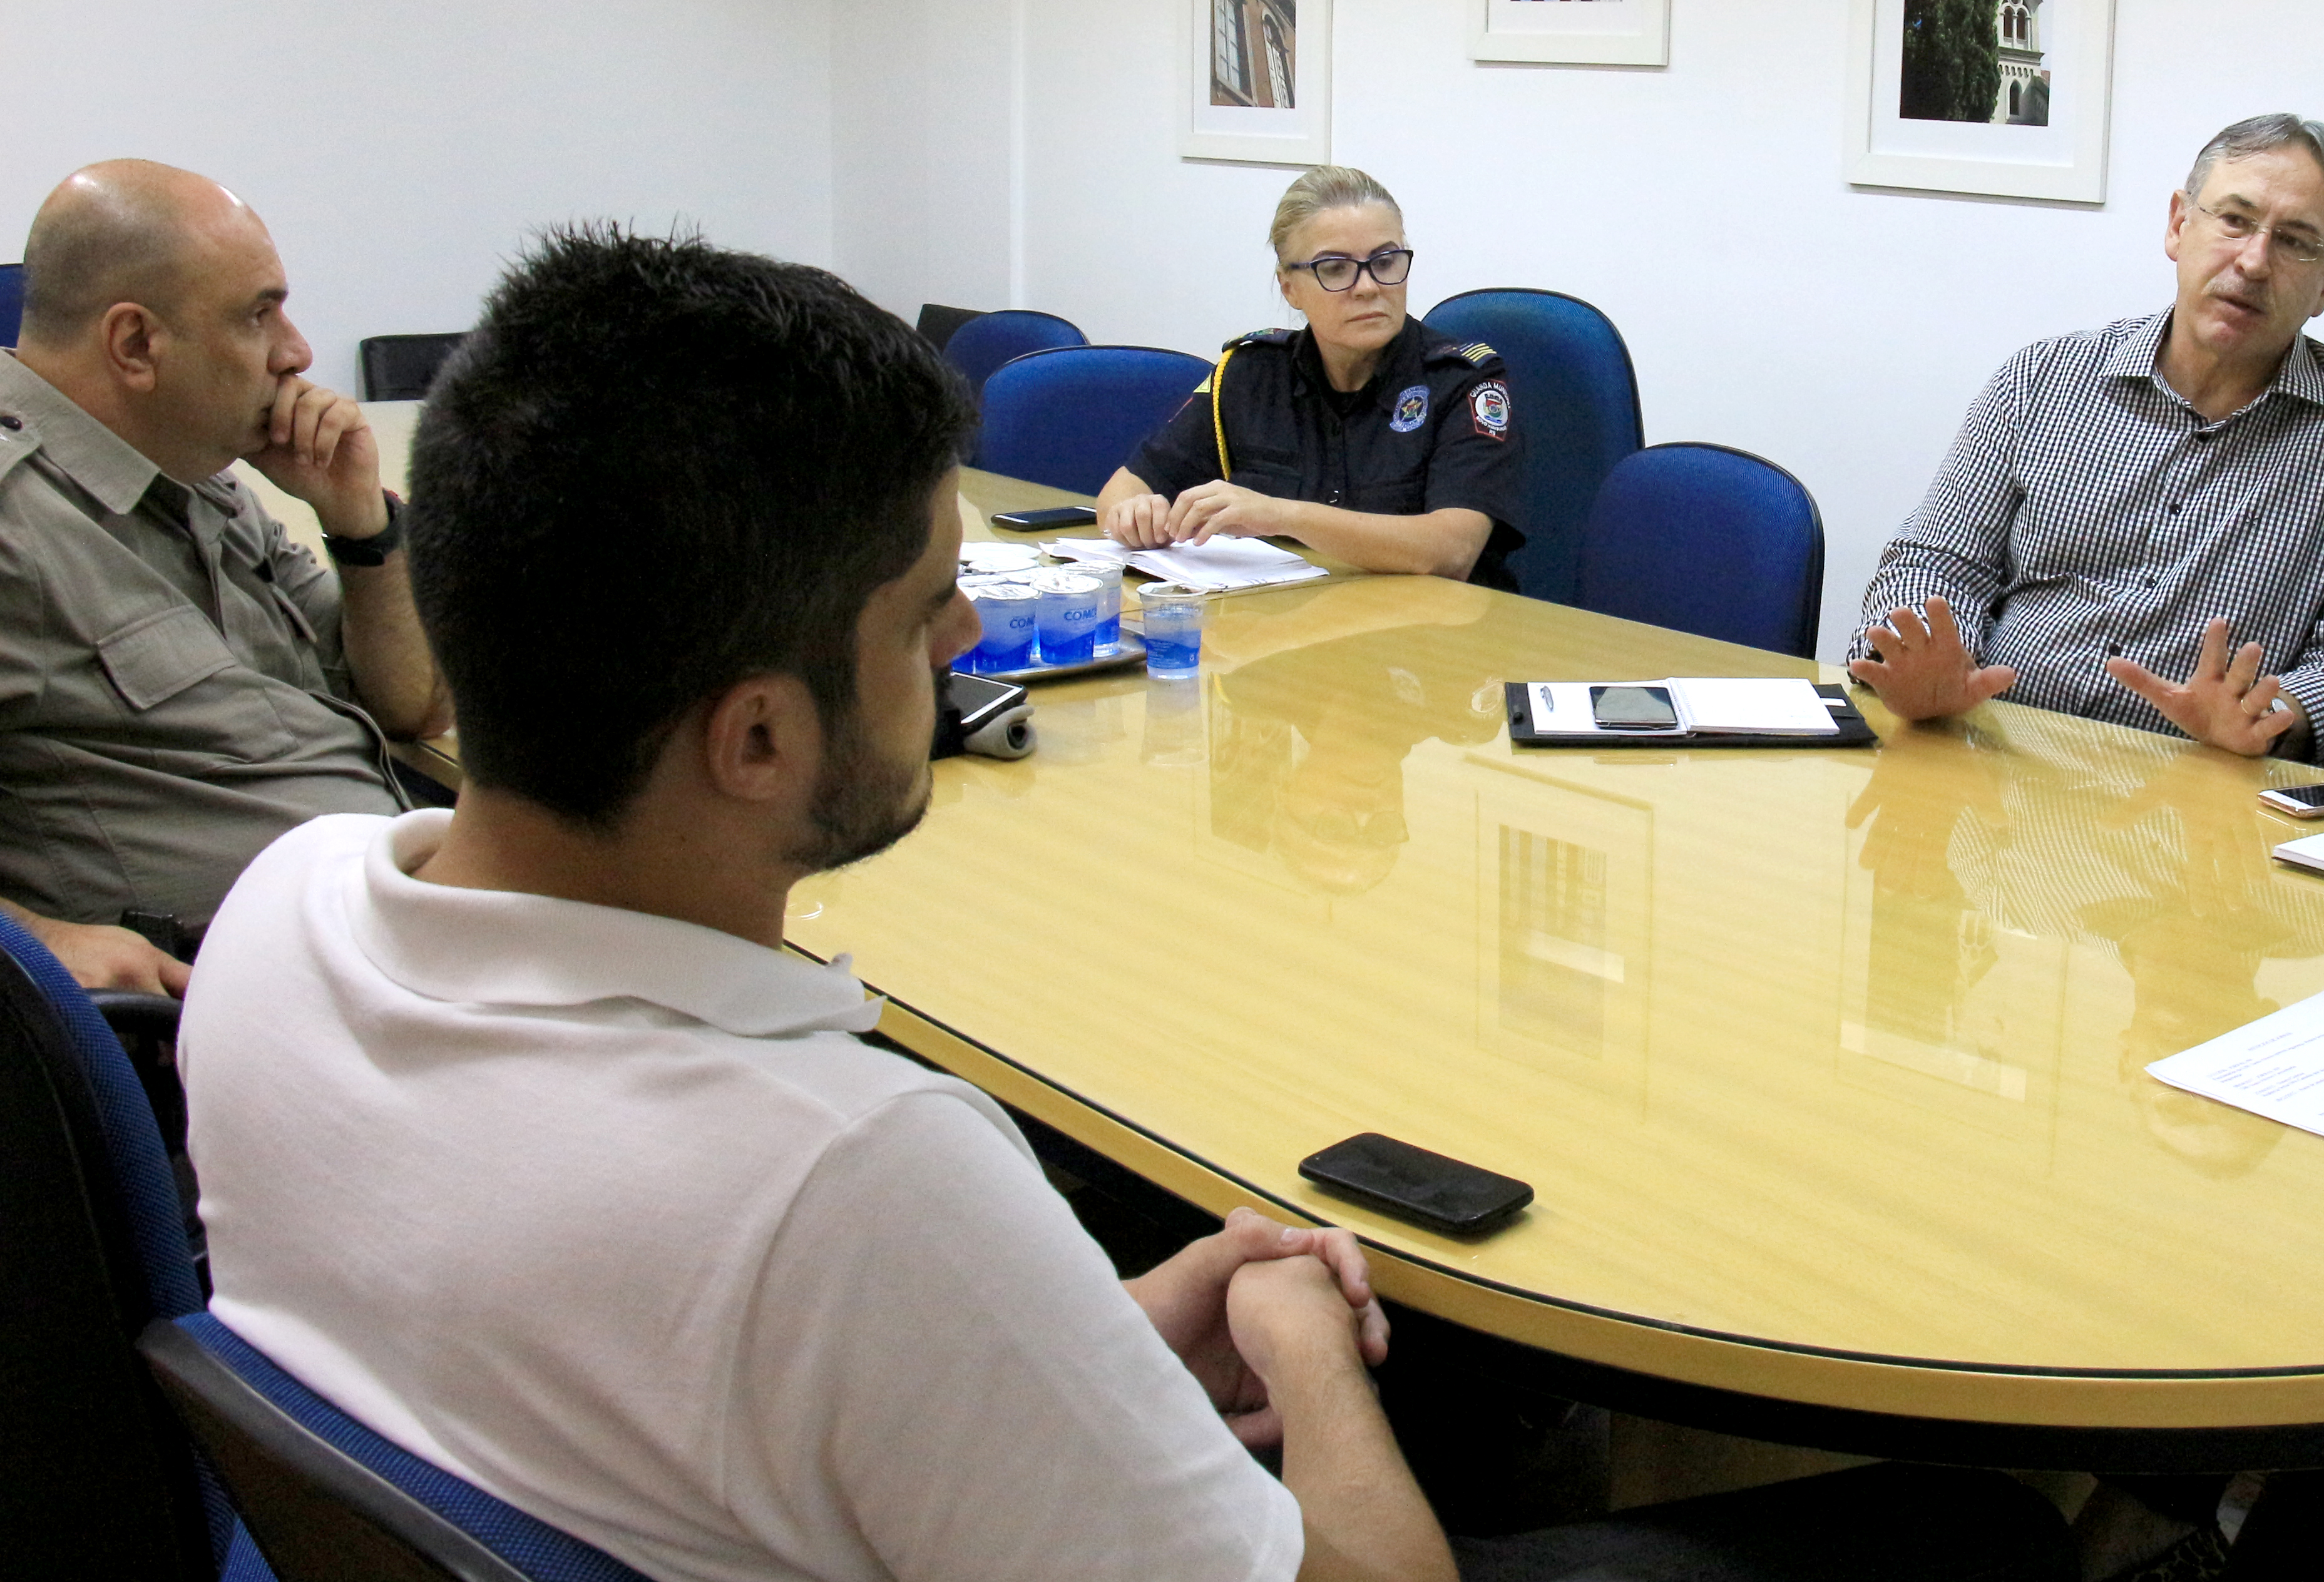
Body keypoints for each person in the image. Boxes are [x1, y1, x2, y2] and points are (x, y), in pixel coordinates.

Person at [182, 227, 2071, 1582]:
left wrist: (1096, 1322)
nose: (968, 633)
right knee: (1966, 1527)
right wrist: (1303, 1339)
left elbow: (810, 1357)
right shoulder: (859, 1181)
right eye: (925, 608)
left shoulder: (281, 913)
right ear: (757, 736)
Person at [1846, 114, 2324, 769]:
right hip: (1987, 763)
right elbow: (1936, 560)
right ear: (2179, 224)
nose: (2253, 261)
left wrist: (2273, 717)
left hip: (2200, 788)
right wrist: (1928, 661)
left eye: (2296, 242)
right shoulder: (2040, 381)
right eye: (2234, 220)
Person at [0, 160, 440, 995]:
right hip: (235, 1004)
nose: (297, 351)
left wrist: (361, 526)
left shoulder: (198, 477)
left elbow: (413, 704)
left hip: (385, 943)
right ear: (136, 344)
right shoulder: (13, 521)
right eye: (258, 315)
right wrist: (39, 944)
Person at [1102, 167, 1526, 590]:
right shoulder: (1250, 373)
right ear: (1290, 288)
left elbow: (1452, 551)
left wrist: (1280, 515)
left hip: (1434, 622)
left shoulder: (1462, 381)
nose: (1368, 287)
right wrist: (1136, 515)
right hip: (1289, 612)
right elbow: (1122, 491)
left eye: (1385, 262)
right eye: (1336, 269)